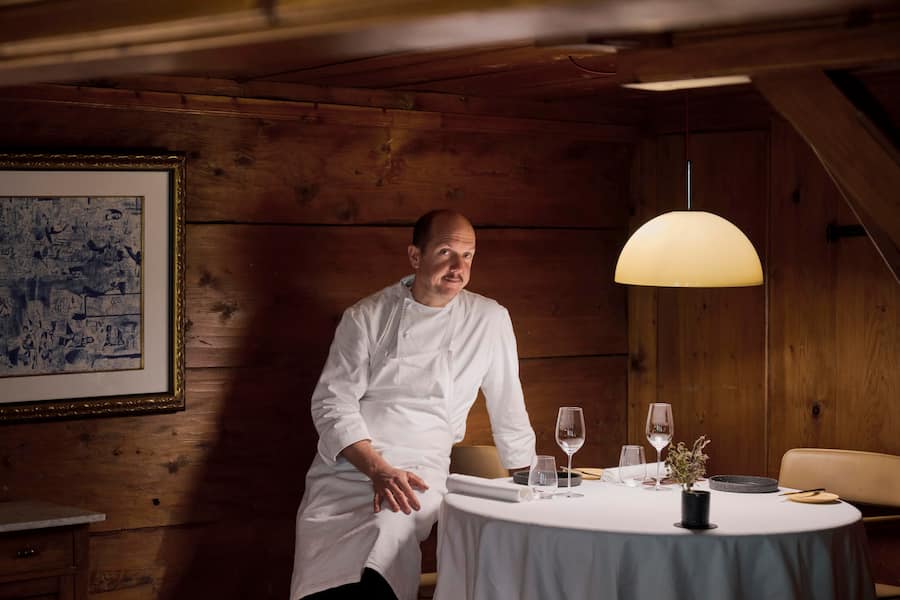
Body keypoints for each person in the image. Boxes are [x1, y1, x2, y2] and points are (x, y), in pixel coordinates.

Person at [290, 209, 536, 600]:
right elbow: (331, 404)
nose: (458, 267)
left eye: (468, 256)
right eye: (446, 253)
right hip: (347, 470)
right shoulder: (366, 316)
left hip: (419, 471)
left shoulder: (489, 319)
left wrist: (531, 485)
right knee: (325, 577)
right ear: (415, 256)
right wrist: (377, 468)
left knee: (386, 535)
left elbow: (509, 406)